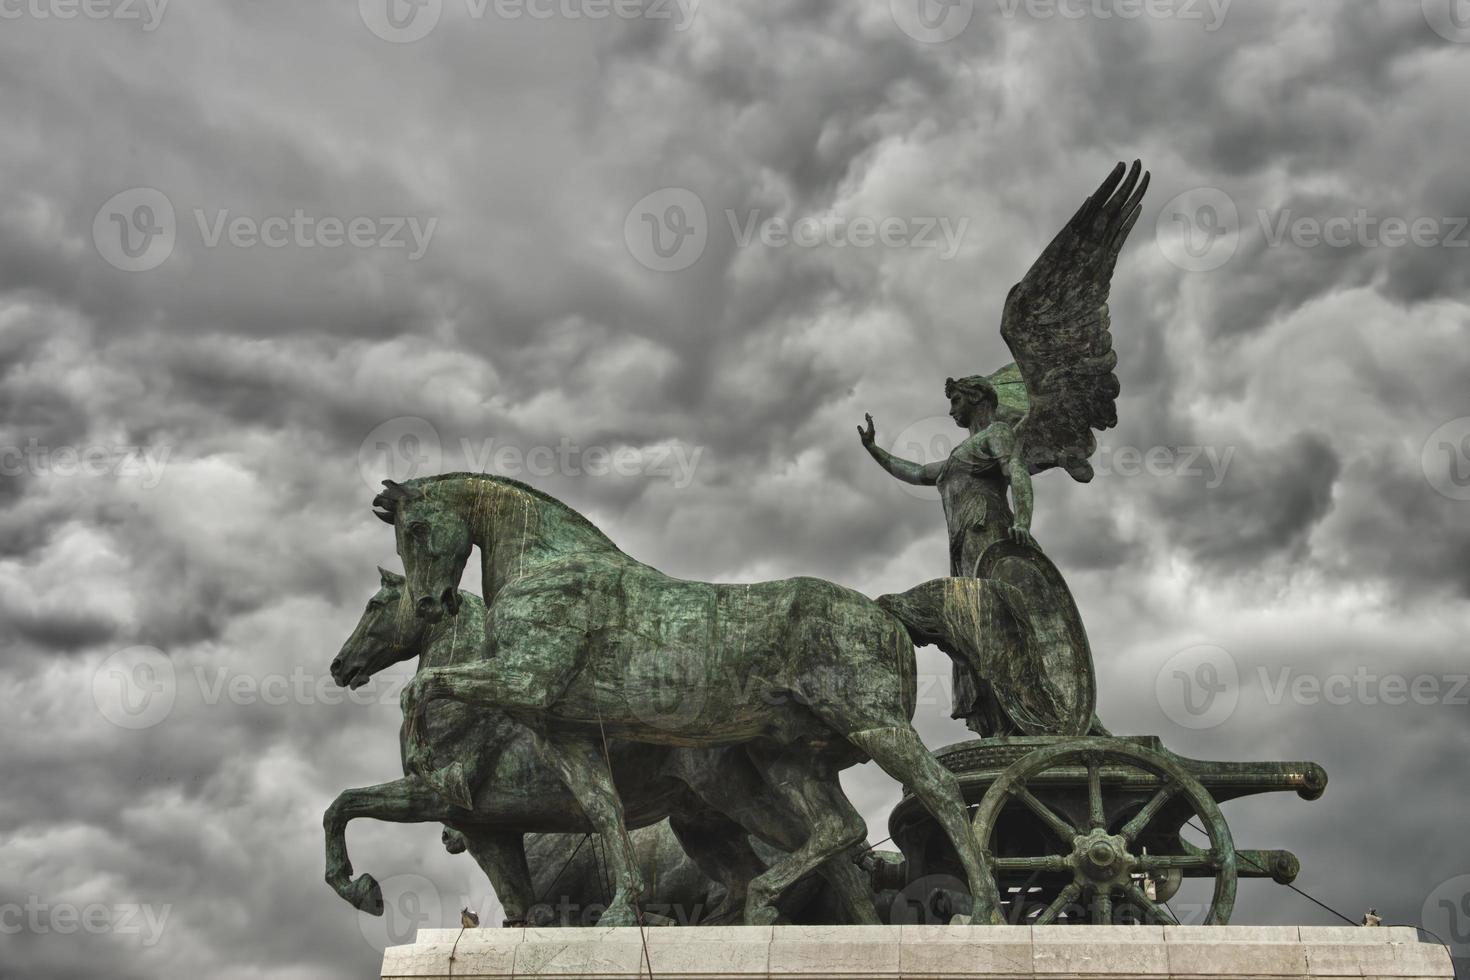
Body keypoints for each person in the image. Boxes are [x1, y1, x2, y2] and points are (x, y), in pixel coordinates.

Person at [858, 374, 1038, 731]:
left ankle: (1022, 706)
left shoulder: (997, 434)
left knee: (991, 622)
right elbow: (917, 472)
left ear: (977, 398)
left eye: (956, 400)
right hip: (963, 546)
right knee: (975, 626)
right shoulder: (960, 454)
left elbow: (1017, 470)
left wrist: (1024, 521)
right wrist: (874, 449)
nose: (951, 409)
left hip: (988, 535)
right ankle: (998, 714)